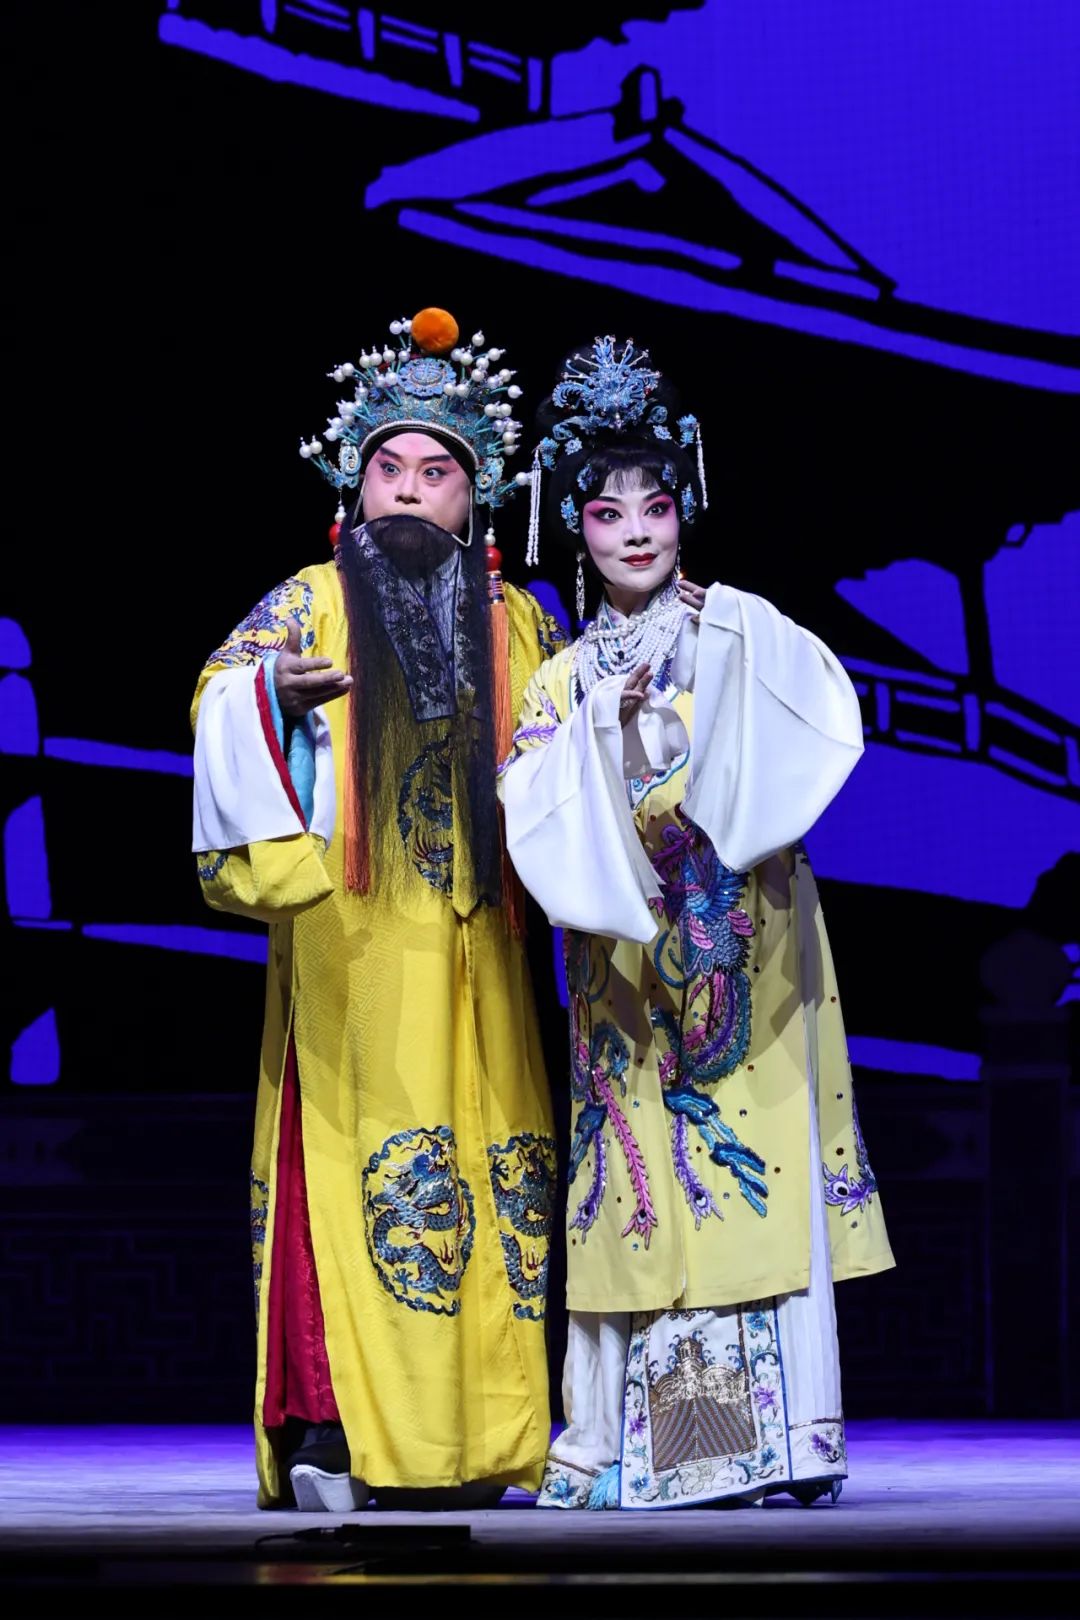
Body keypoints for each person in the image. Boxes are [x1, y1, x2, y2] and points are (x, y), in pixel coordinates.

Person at [500, 336, 895, 1509]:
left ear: (684, 513)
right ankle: (622, 1443)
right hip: (626, 969)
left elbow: (816, 736)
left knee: (750, 1168)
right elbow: (532, 811)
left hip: (743, 947)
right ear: (576, 527)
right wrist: (598, 736)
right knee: (635, 1180)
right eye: (607, 513)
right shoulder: (561, 679)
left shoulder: (742, 629)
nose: (635, 532)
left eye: (656, 507)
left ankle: (781, 1437)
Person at [191, 307, 566, 1511]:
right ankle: (333, 1431)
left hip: (486, 947)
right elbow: (216, 694)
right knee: (357, 1171)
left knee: (496, 1176)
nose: (408, 489)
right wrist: (271, 694)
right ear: (354, 489)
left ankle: (484, 1443)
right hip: (354, 950)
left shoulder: (520, 619)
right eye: (388, 468)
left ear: (475, 496)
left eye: (435, 471)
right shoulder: (307, 602)